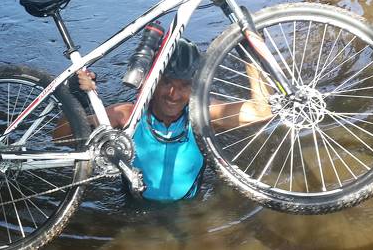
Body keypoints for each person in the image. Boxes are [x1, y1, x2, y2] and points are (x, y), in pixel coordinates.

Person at [76, 38, 271, 201]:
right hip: (133, 208)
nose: (173, 94)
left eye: (184, 85)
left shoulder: (201, 115)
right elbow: (59, 135)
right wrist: (76, 94)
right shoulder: (126, 116)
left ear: (194, 87)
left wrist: (250, 56)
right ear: (150, 82)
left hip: (190, 212)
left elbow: (261, 112)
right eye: (167, 82)